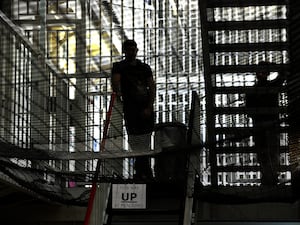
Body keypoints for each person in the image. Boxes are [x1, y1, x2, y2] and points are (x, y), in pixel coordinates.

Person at [111, 39, 155, 179]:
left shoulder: (122, 67)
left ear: (135, 51)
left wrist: (148, 106)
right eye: (129, 50)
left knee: (139, 140)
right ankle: (144, 169)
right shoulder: (138, 67)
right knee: (140, 140)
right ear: (125, 51)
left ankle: (142, 169)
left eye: (132, 49)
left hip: (136, 108)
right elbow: (151, 86)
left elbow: (116, 83)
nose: (131, 52)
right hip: (135, 109)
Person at [246, 61, 284, 186]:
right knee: (272, 153)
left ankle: (267, 179)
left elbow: (249, 111)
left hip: (260, 126)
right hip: (271, 126)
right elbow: (283, 73)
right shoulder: (273, 86)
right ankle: (272, 179)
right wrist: (272, 65)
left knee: (263, 154)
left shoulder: (252, 91)